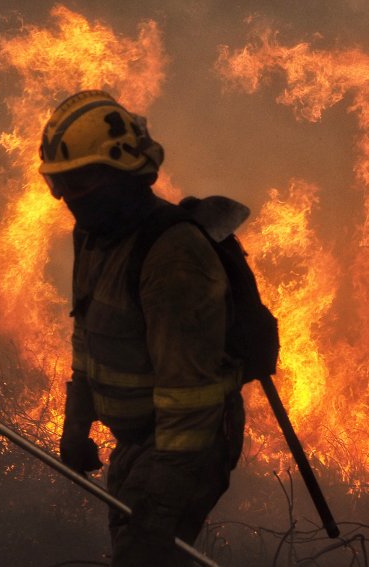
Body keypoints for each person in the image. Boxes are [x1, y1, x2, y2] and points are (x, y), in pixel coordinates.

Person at [39, 90, 245, 566]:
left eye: (79, 181)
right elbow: (87, 335)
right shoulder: (95, 235)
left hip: (183, 449)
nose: (67, 197)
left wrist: (163, 501)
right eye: (60, 184)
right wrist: (76, 423)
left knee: (145, 557)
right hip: (138, 440)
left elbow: (190, 399)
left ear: (120, 172)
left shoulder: (173, 257)